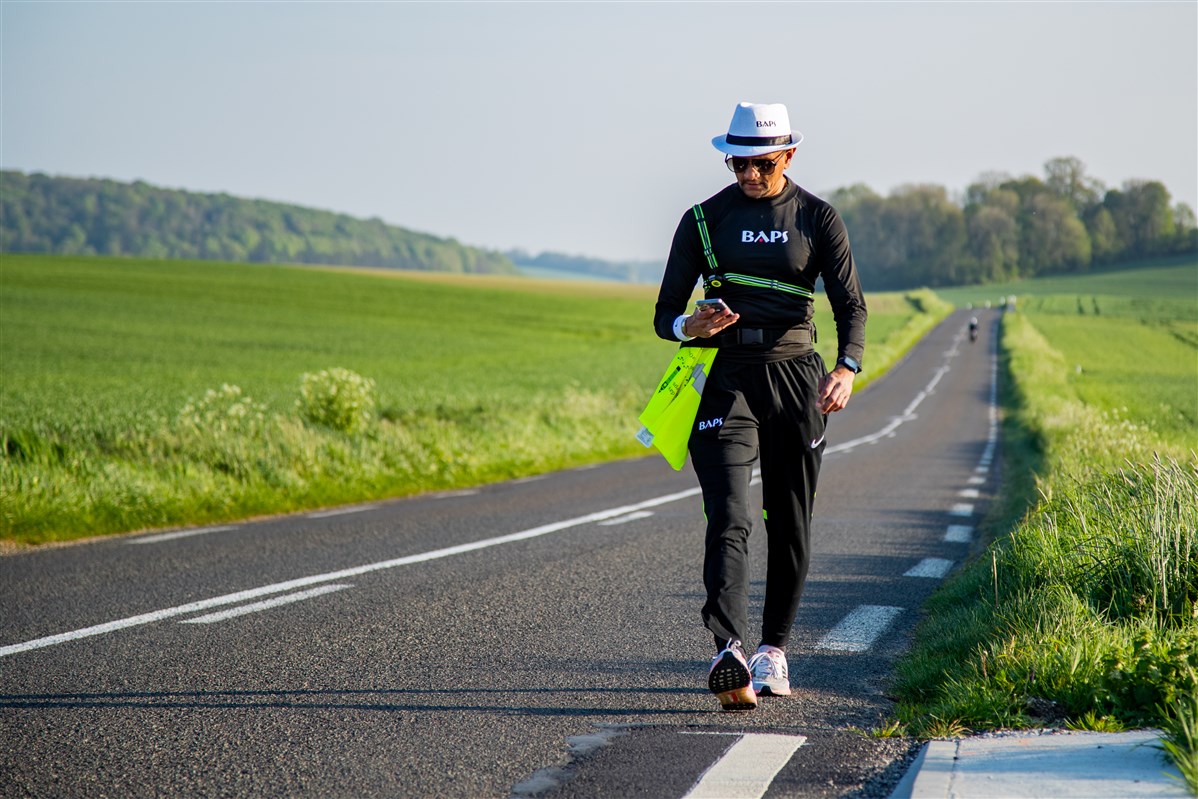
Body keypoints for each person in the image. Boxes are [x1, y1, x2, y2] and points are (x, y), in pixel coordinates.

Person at [653, 101, 867, 712]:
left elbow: (851, 307)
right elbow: (664, 315)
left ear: (789, 156)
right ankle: (729, 649)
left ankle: (774, 649)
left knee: (789, 519)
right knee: (729, 514)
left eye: (761, 163)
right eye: (737, 162)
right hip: (725, 378)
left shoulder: (818, 218)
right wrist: (690, 323)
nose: (747, 174)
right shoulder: (701, 221)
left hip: (798, 377)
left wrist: (846, 368)